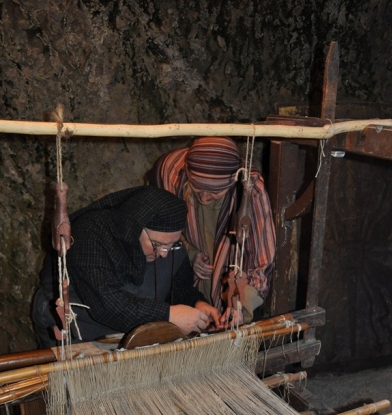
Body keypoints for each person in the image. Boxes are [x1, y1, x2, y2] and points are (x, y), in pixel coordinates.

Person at [32, 186, 221, 348]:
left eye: (172, 245)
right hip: (77, 329)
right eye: (157, 245)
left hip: (130, 333)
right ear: (135, 228)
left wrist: (198, 304)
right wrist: (169, 315)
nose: (164, 253)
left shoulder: (169, 247)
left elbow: (181, 289)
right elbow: (107, 304)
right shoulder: (89, 236)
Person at [148, 136, 276, 324]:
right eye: (198, 190)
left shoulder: (250, 191)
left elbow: (261, 259)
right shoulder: (170, 173)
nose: (205, 198)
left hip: (232, 277)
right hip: (187, 283)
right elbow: (155, 229)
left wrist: (241, 305)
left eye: (215, 193)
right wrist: (189, 253)